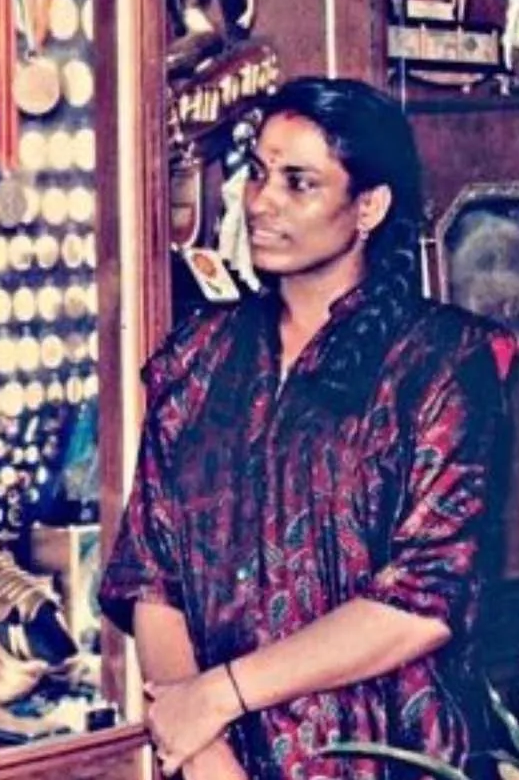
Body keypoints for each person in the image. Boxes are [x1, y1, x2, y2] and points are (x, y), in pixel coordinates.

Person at [98, 77, 515, 779]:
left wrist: (220, 692)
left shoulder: (444, 361)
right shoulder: (196, 360)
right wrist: (201, 746)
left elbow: (425, 599)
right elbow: (150, 573)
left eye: (299, 183)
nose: (260, 201)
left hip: (388, 756)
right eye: (258, 173)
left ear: (368, 206)